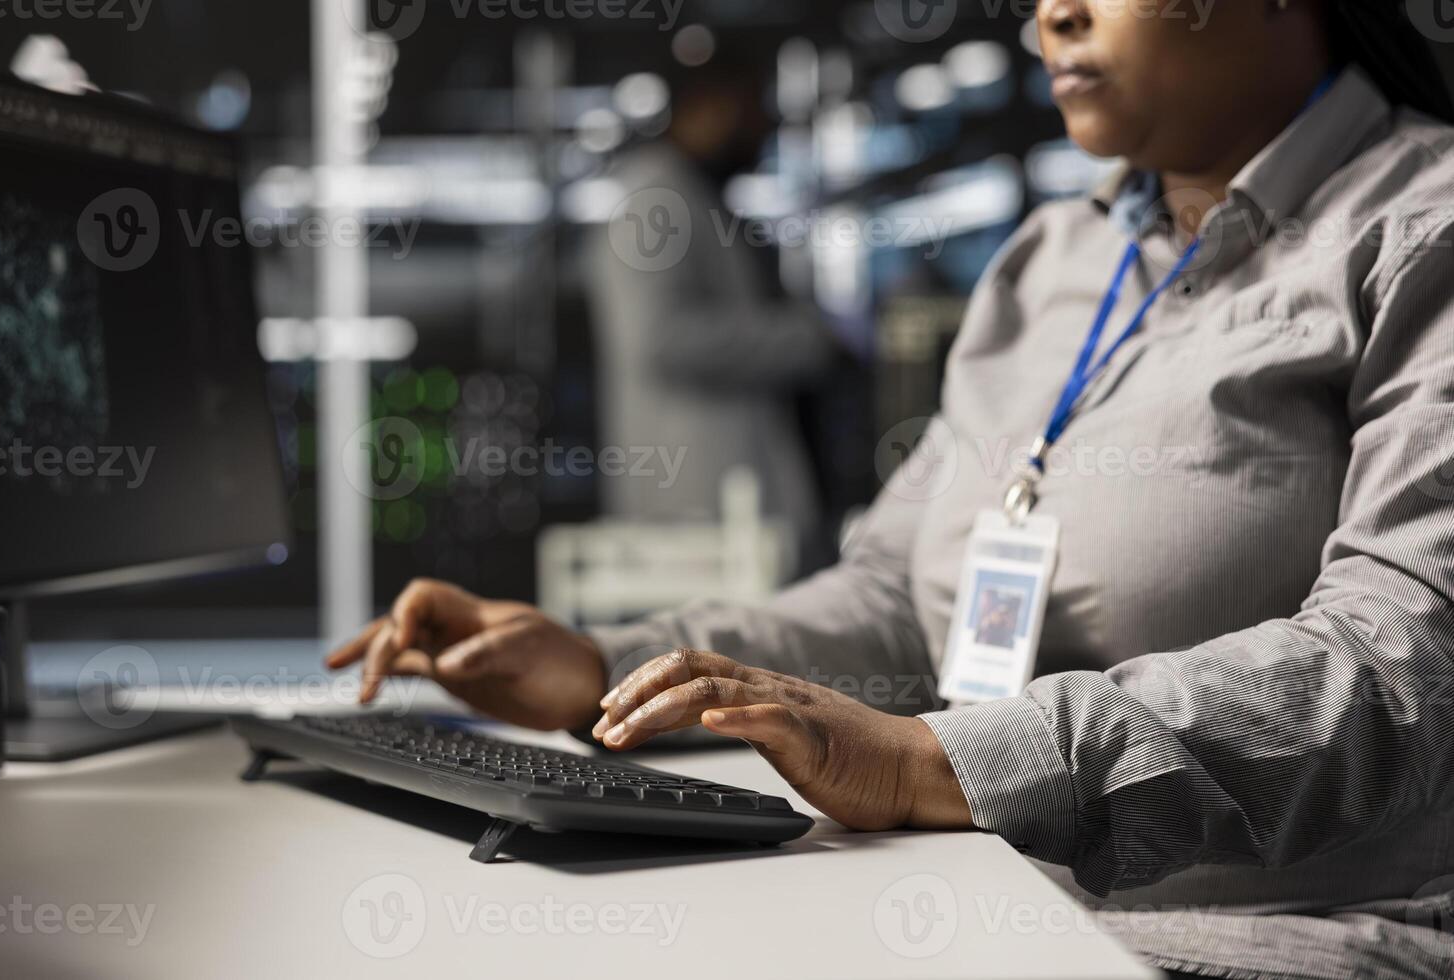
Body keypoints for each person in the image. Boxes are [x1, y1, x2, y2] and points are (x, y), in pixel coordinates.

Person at [328, 2, 1454, 977]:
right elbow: (890, 598)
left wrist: (943, 761)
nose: (1050, 14)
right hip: (990, 895)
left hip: (1270, 934)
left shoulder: (1420, 227)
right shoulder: (1050, 261)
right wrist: (605, 666)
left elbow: (1405, 667)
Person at [584, 56, 837, 557]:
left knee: (729, 636)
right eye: (752, 108)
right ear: (710, 104)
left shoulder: (694, 194)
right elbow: (658, 339)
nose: (763, 127)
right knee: (695, 640)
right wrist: (805, 339)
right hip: (695, 509)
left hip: (730, 512)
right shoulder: (654, 199)